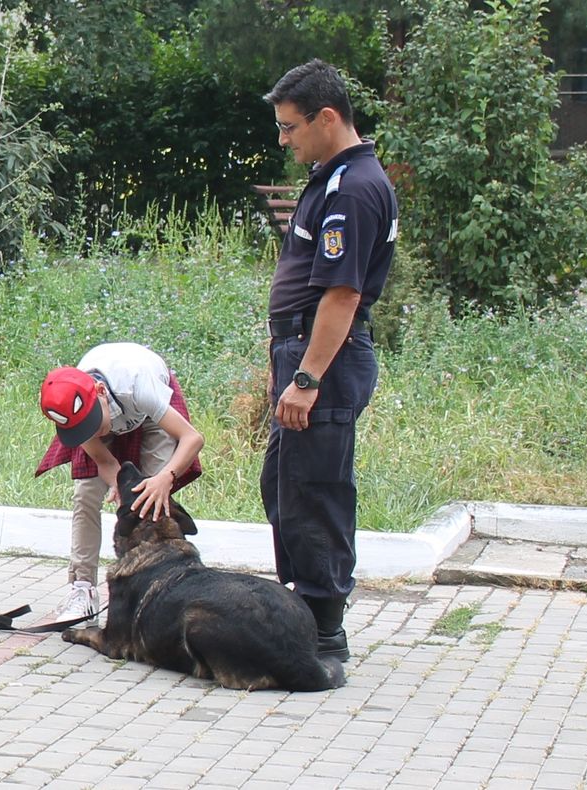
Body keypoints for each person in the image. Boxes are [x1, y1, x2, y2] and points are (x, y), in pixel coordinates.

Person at [260, 59, 398, 662]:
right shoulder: (332, 177)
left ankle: (322, 632)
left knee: (317, 490)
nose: (284, 139)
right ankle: (302, 607)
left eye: (291, 127)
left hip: (326, 360)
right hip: (303, 351)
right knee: (285, 483)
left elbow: (342, 295)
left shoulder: (354, 189)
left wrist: (308, 378)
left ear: (327, 117)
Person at [35, 342, 204, 623]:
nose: (90, 431)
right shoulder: (74, 414)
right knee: (86, 493)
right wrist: (119, 487)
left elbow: (193, 439)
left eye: (91, 422)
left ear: (99, 393)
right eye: (81, 428)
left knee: (152, 498)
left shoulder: (140, 387)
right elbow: (105, 462)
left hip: (148, 415)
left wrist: (165, 478)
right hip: (118, 408)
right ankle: (82, 590)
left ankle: (160, 590)